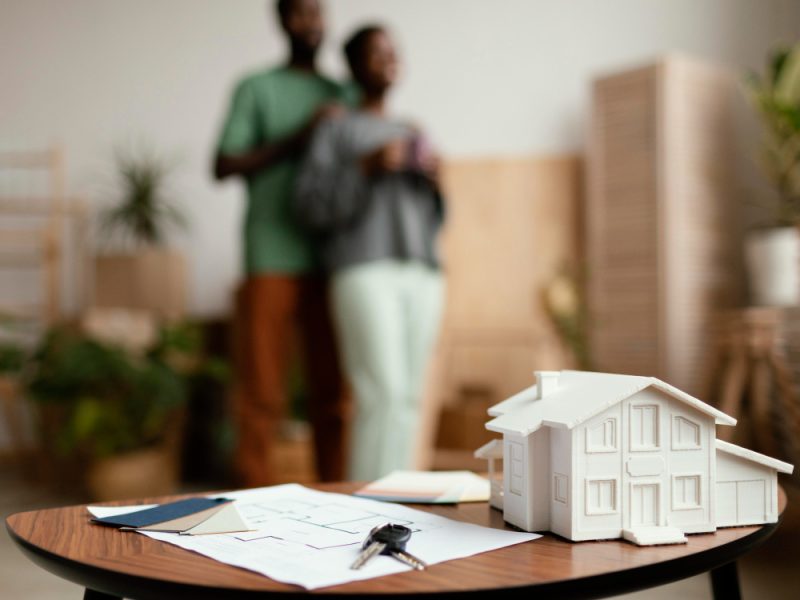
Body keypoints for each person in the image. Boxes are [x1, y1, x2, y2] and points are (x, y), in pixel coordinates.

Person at [294, 25, 445, 481]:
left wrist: (435, 181)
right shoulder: (336, 129)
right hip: (362, 267)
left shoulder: (413, 131)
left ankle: (400, 505)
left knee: (409, 397)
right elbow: (309, 204)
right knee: (381, 391)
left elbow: (435, 217)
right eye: (377, 52)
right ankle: (367, 508)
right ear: (356, 65)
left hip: (421, 269)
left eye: (393, 50)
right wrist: (365, 167)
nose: (389, 58)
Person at [213, 0, 350, 486]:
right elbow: (223, 163)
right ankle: (253, 501)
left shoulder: (342, 91)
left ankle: (339, 496)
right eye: (300, 14)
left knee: (333, 393)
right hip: (270, 255)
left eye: (318, 13)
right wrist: (302, 136)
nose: (311, 23)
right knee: (262, 390)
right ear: (283, 21)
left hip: (334, 259)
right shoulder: (257, 88)